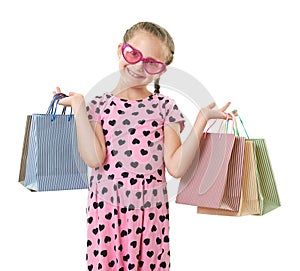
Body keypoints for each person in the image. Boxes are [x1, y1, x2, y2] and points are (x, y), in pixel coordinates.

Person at [54, 21, 230, 271]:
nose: (139, 66)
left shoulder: (165, 107)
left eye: (151, 63)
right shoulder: (99, 104)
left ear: (161, 71)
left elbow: (176, 167)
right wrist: (80, 107)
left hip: (150, 213)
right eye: (133, 54)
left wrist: (201, 119)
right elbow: (94, 159)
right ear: (120, 50)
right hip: (107, 211)